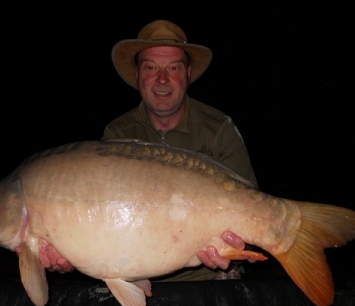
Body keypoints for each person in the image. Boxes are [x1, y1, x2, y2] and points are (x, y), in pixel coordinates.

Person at [23, 19, 258, 280]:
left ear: (188, 73)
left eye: (173, 67)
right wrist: (69, 255)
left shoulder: (219, 129)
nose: (162, 79)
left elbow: (253, 213)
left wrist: (233, 248)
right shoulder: (117, 136)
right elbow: (100, 227)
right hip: (137, 280)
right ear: (137, 75)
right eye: (150, 67)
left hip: (209, 282)